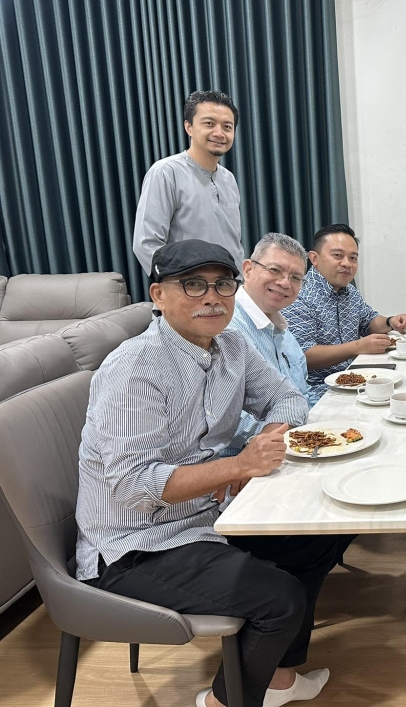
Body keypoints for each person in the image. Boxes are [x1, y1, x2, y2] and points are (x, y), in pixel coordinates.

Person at [75, 239, 351, 707]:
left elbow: (287, 398)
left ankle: (277, 681)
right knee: (279, 598)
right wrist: (239, 464)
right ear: (158, 295)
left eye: (223, 285)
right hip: (134, 545)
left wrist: (264, 443)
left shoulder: (231, 345)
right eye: (193, 284)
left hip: (209, 515)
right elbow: (133, 486)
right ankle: (222, 702)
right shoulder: (135, 369)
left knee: (321, 535)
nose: (212, 297)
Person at [285, 224, 406, 404]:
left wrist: (391, 321)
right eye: (337, 255)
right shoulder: (299, 295)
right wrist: (358, 346)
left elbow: (369, 322)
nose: (346, 263)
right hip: (317, 391)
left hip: (354, 378)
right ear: (314, 258)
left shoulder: (349, 291)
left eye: (353, 258)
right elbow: (303, 355)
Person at [133, 90, 245, 276]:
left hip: (228, 292)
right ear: (189, 127)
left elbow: (233, 245)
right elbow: (146, 243)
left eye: (227, 126)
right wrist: (180, 285)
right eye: (209, 124)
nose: (219, 133)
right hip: (187, 292)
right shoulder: (166, 172)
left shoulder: (228, 179)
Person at [225, 232, 311, 455]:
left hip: (293, 439)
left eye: (295, 278)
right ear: (248, 269)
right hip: (245, 456)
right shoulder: (226, 326)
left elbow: (301, 392)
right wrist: (286, 433)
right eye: (275, 270)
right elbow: (221, 417)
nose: (285, 283)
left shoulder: (280, 325)